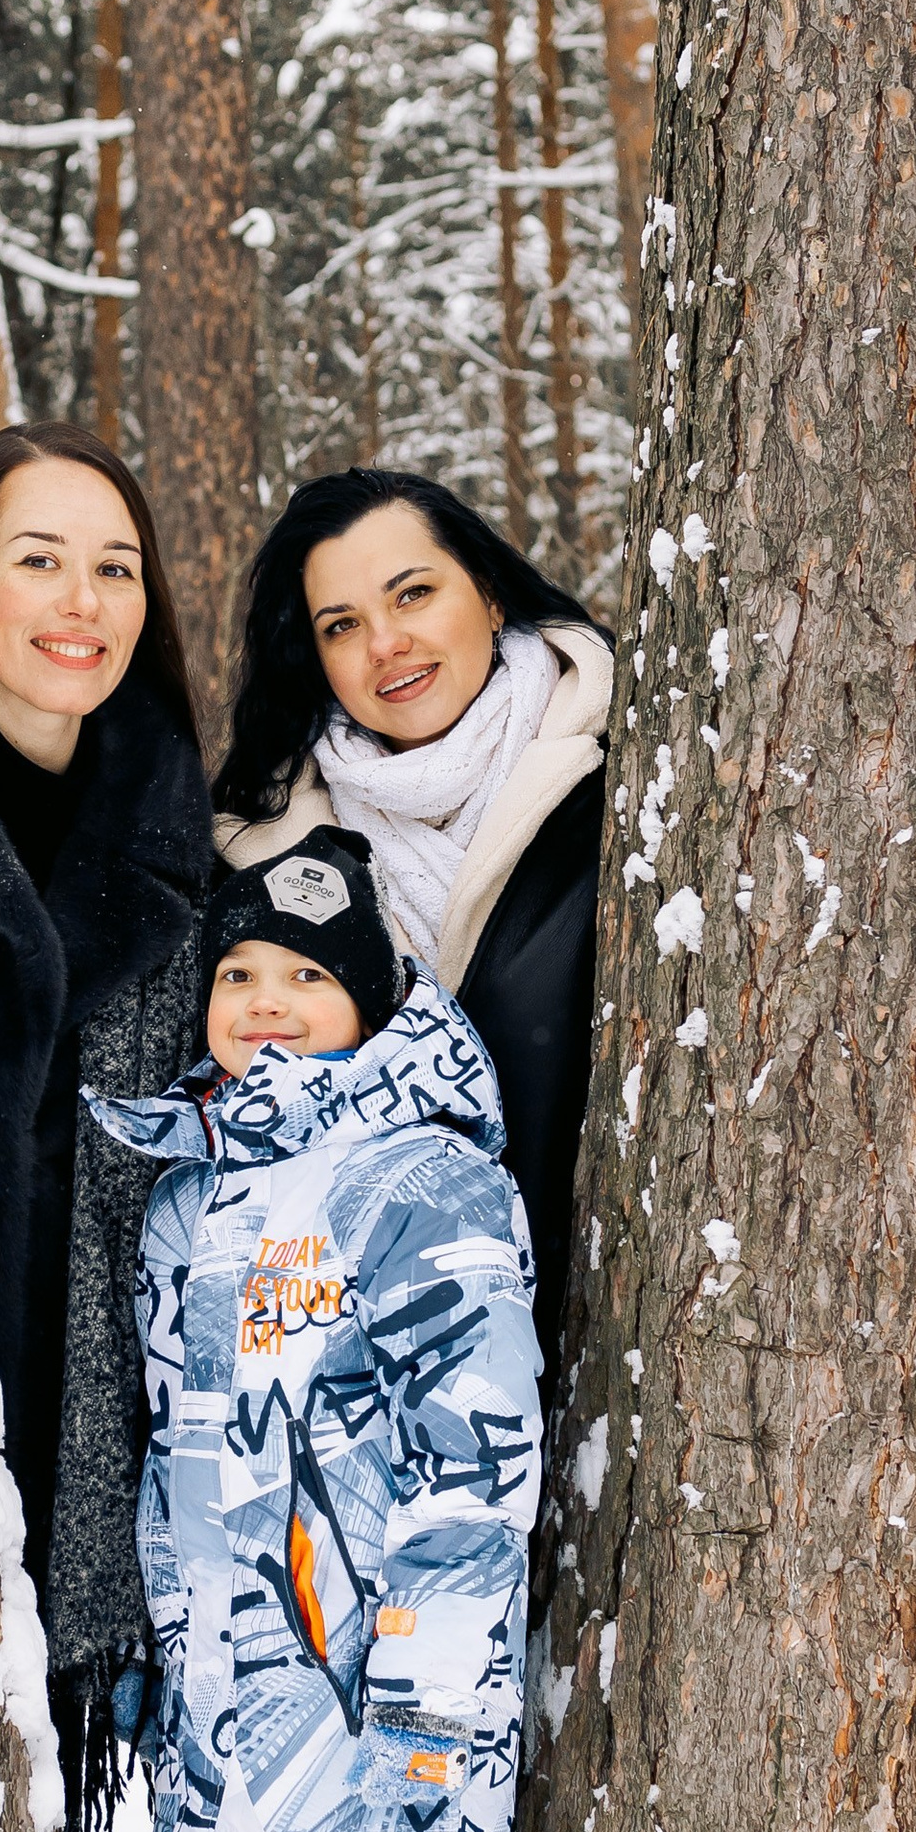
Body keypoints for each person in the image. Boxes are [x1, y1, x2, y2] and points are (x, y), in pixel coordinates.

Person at [87, 829, 543, 1832]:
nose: (265, 1000)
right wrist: (168, 1665)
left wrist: (427, 1714)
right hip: (246, 1747)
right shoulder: (193, 1194)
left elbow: (475, 1464)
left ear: (372, 1002)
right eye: (237, 972)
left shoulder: (427, 1180)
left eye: (304, 973)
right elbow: (181, 1457)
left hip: (387, 1748)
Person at [0, 423, 212, 1832]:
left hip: (79, 1430)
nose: (82, 603)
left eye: (115, 569)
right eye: (40, 561)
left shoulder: (184, 837)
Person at [212, 470, 610, 1397]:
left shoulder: (623, 784)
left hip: (608, 1357)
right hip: (374, 1407)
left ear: (490, 589)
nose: (386, 645)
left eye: (413, 594)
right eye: (340, 625)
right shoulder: (264, 858)